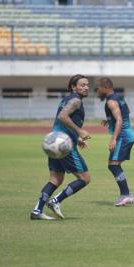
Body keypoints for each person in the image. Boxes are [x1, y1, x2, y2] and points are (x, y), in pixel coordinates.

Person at [30, 74, 91, 220]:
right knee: (85, 178)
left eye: (87, 85)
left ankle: (37, 211)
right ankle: (55, 201)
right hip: (63, 145)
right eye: (82, 85)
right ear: (73, 87)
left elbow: (62, 122)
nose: (86, 87)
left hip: (53, 142)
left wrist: (77, 139)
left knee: (55, 179)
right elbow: (63, 117)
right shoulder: (76, 100)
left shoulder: (67, 99)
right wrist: (80, 131)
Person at [96, 77, 134, 206]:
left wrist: (113, 138)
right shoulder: (118, 97)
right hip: (126, 134)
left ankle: (126, 195)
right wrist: (110, 122)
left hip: (122, 137)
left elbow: (119, 120)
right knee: (114, 165)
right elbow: (127, 112)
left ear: (105, 87)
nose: (97, 90)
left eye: (98, 88)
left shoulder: (111, 101)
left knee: (113, 165)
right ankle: (126, 194)